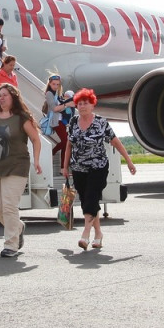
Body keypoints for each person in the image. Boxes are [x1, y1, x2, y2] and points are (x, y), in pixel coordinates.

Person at [61, 89, 136, 250]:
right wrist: (65, 167)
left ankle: (85, 235)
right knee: (88, 202)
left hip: (98, 167)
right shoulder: (73, 122)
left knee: (91, 197)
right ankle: (99, 234)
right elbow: (68, 146)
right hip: (79, 168)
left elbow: (116, 142)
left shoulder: (101, 122)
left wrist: (129, 161)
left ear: (92, 104)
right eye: (79, 103)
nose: (82, 106)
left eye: (85, 103)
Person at [0, 84, 43, 258]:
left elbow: (35, 139)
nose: (1, 98)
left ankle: (11, 244)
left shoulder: (21, 117)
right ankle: (18, 227)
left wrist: (37, 160)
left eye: (5, 95)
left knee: (9, 206)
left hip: (17, 165)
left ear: (13, 97)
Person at [39, 74, 70, 156]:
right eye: (54, 84)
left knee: (65, 141)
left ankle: (63, 162)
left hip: (60, 120)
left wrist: (63, 105)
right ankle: (52, 152)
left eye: (57, 84)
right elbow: (55, 109)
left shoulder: (56, 93)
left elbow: (59, 108)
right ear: (49, 83)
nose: (56, 86)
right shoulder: (49, 93)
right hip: (55, 121)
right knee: (66, 141)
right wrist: (66, 105)